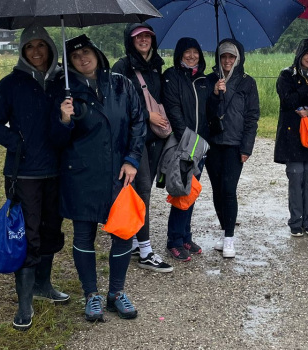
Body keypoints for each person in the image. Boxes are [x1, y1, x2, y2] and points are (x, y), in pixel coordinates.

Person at [53, 34, 146, 321]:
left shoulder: (121, 83)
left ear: (97, 52)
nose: (83, 57)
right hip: (80, 173)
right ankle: (91, 294)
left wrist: (132, 160)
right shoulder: (62, 90)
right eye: (76, 54)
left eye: (86, 51)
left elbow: (138, 122)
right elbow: (55, 140)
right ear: (69, 62)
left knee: (123, 231)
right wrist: (64, 120)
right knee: (84, 234)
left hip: (119, 171)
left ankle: (116, 292)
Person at [0, 26, 70, 331]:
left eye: (41, 46)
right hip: (24, 172)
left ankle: (43, 285)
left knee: (50, 230)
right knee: (27, 235)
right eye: (29, 46)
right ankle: (24, 302)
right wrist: (15, 141)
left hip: (56, 169)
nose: (35, 51)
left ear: (50, 48)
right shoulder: (11, 84)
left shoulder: (63, 82)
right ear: (22, 51)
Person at [111, 24, 174, 273]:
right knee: (141, 189)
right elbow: (118, 101)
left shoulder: (157, 66)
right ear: (130, 40)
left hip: (153, 138)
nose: (144, 40)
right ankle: (146, 250)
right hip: (132, 138)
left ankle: (135, 240)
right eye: (139, 37)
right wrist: (147, 115)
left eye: (148, 35)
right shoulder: (122, 67)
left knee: (141, 190)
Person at [205, 38, 260, 258]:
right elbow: (205, 112)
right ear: (218, 58)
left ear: (238, 58)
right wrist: (215, 94)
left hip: (235, 144)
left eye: (231, 56)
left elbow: (252, 116)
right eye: (223, 56)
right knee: (217, 190)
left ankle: (229, 238)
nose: (227, 60)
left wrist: (247, 147)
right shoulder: (211, 80)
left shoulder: (247, 82)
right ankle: (223, 230)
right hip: (213, 143)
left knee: (229, 189)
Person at [161, 37, 212, 262]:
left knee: (191, 193)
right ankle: (174, 240)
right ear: (179, 54)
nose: (192, 56)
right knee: (181, 190)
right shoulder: (171, 77)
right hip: (184, 145)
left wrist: (219, 92)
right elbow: (173, 110)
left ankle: (186, 236)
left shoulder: (204, 80)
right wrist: (189, 141)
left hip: (201, 147)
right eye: (187, 52)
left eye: (195, 52)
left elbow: (211, 111)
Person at [274, 39, 308, 237]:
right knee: (296, 179)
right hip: (292, 135)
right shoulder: (286, 75)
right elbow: (288, 101)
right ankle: (296, 222)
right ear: (300, 53)